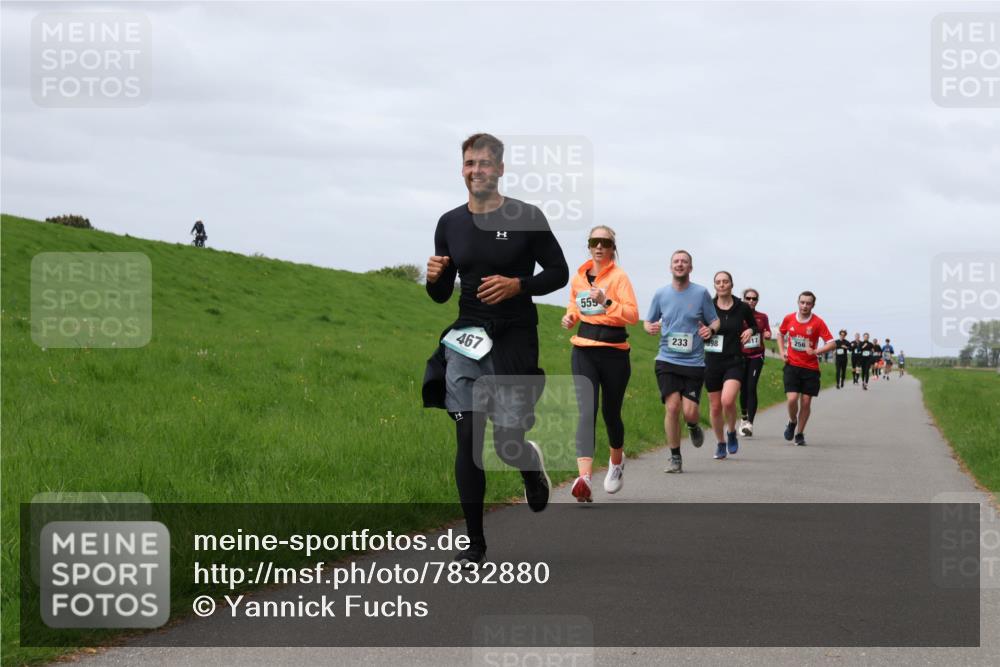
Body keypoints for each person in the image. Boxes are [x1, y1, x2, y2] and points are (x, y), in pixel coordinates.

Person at [422, 133, 569, 566]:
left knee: (506, 441)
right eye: (470, 163)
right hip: (466, 337)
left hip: (514, 337)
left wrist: (518, 284)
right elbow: (441, 295)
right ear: (462, 168)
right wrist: (434, 278)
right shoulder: (449, 223)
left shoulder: (527, 217)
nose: (476, 170)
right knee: (468, 435)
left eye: (484, 163)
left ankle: (528, 464)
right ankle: (475, 545)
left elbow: (558, 272)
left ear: (500, 169)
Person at [562, 225, 639, 501]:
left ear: (612, 248)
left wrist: (606, 301)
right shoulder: (579, 277)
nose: (599, 247)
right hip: (583, 349)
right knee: (587, 411)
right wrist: (571, 317)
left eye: (605, 243)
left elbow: (632, 315)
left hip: (614, 353)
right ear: (589, 245)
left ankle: (616, 463)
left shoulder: (620, 277)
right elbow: (575, 305)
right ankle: (584, 478)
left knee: (611, 413)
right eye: (594, 241)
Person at [643, 250, 720, 473]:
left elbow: (715, 321)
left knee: (690, 412)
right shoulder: (661, 294)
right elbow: (648, 321)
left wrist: (710, 330)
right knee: (672, 407)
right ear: (671, 267)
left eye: (684, 261)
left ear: (690, 267)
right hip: (666, 359)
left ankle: (693, 425)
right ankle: (675, 457)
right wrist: (649, 327)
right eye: (676, 261)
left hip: (694, 363)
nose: (680, 264)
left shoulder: (701, 293)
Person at [704, 272, 757, 460]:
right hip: (712, 361)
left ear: (731, 284)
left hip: (734, 360)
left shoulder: (742, 307)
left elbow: (754, 326)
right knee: (715, 407)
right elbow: (698, 326)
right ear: (714, 286)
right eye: (718, 282)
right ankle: (720, 443)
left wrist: (750, 330)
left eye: (725, 281)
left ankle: (732, 431)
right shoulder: (708, 306)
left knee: (727, 401)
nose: (721, 285)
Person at [776, 291, 835, 446]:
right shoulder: (789, 318)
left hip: (810, 368)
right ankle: (792, 421)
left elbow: (832, 343)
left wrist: (816, 351)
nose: (804, 306)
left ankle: (800, 434)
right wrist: (782, 352)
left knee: (806, 402)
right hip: (792, 365)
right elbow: (780, 334)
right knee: (792, 399)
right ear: (798, 302)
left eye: (808, 303)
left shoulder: (818, 322)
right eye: (802, 302)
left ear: (813, 305)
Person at [739, 288, 771, 437]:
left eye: (754, 298)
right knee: (743, 388)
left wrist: (767, 334)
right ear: (743, 299)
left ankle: (750, 424)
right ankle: (743, 417)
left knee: (751, 387)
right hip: (740, 356)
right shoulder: (738, 314)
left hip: (757, 355)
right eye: (748, 298)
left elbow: (767, 331)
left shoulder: (762, 317)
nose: (751, 301)